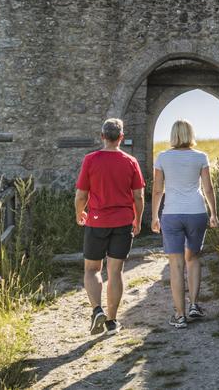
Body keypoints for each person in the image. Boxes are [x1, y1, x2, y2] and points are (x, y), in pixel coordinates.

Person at [75, 118, 145, 336]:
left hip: (96, 221)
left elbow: (81, 195)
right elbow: (139, 196)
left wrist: (79, 213)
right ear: (121, 137)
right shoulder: (131, 161)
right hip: (123, 221)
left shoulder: (90, 160)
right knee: (115, 271)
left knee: (92, 269)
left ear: (102, 136)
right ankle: (112, 322)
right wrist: (138, 219)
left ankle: (97, 309)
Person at [150, 119, 219, 328]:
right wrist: (214, 213)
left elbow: (157, 190)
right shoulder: (200, 157)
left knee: (176, 264)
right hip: (196, 212)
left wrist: (154, 216)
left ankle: (180, 316)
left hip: (171, 214)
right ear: (191, 134)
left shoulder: (162, 157)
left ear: (173, 135)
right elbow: (208, 188)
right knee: (193, 258)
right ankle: (194, 305)